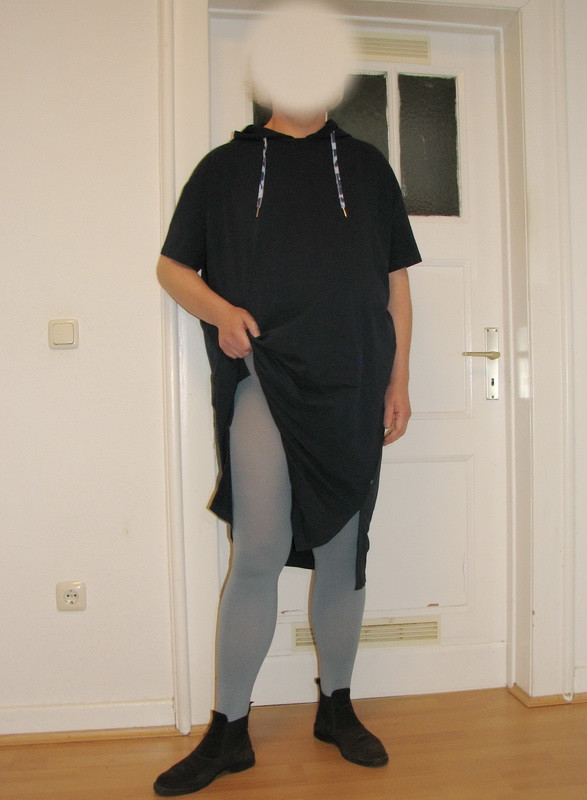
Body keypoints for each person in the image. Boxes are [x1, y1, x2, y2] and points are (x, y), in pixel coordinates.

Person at [152, 104, 420, 796]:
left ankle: (336, 708)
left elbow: (396, 283)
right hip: (265, 375)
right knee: (258, 550)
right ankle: (228, 732)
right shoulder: (224, 169)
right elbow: (172, 268)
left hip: (354, 383)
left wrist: (399, 380)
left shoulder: (367, 168)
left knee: (342, 552)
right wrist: (220, 312)